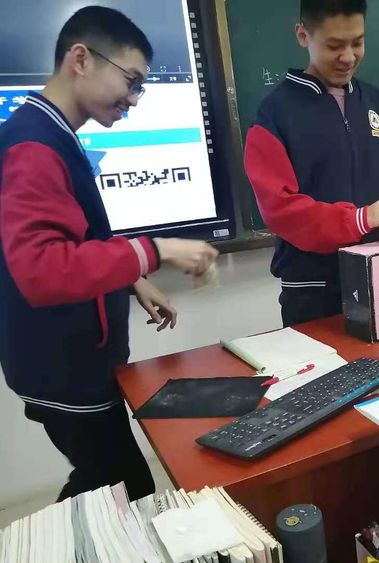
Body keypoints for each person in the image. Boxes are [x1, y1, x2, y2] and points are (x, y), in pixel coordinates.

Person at [0, 6, 218, 501]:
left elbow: (75, 241)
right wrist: (154, 250)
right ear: (80, 59)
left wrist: (131, 278)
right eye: (131, 80)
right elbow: (41, 269)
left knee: (108, 481)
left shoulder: (53, 135)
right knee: (121, 488)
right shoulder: (34, 146)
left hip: (75, 361)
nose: (134, 99)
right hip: (63, 368)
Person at [245, 0, 379, 327]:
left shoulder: (376, 103)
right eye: (334, 46)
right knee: (326, 362)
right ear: (303, 35)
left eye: (357, 43)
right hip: (314, 290)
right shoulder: (275, 115)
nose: (348, 57)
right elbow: (279, 207)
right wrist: (356, 220)